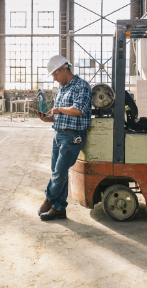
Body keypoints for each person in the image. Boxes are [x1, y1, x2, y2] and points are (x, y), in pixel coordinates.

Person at [34, 55, 92, 221]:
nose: (54, 78)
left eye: (55, 74)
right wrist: (48, 118)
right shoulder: (61, 89)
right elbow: (60, 114)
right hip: (58, 133)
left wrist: (58, 109)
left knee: (59, 173)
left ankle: (49, 198)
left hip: (73, 136)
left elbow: (78, 110)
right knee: (58, 172)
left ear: (64, 69)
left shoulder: (82, 86)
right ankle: (59, 208)